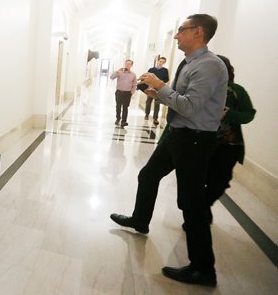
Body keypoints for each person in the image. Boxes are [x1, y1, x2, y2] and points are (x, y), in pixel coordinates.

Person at [109, 14, 228, 286]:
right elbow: (181, 100)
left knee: (192, 203)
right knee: (147, 176)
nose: (176, 36)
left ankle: (203, 268)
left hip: (194, 140)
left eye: (181, 30)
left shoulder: (210, 65)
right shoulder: (189, 63)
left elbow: (189, 107)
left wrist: (162, 87)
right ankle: (140, 220)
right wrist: (159, 94)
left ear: (198, 32)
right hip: (178, 134)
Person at [204, 55, 256, 222]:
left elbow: (249, 114)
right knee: (198, 179)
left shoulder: (236, 90)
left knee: (220, 182)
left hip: (228, 146)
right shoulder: (201, 87)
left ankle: (203, 207)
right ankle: (198, 213)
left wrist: (230, 113)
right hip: (201, 142)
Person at [110, 59, 137, 128]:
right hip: (119, 92)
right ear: (125, 64)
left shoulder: (133, 75)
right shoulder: (119, 72)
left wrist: (131, 93)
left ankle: (123, 121)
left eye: (129, 64)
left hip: (127, 93)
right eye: (126, 64)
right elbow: (111, 77)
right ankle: (118, 118)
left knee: (125, 107)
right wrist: (116, 72)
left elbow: (134, 85)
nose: (127, 65)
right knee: (118, 106)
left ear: (131, 65)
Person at [144, 57, 169, 125]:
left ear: (164, 63)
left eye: (163, 62)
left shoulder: (165, 70)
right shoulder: (151, 69)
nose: (161, 63)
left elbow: (167, 79)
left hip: (158, 89)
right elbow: (146, 77)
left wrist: (159, 82)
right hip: (150, 88)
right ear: (158, 61)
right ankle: (146, 115)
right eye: (160, 61)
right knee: (148, 102)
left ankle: (155, 118)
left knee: (157, 103)